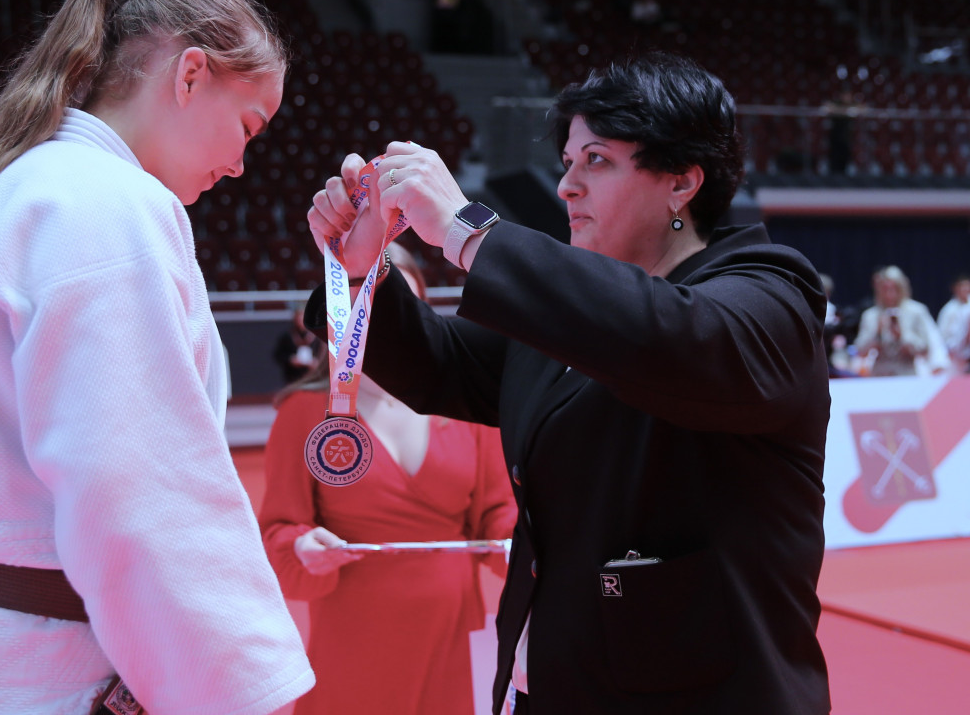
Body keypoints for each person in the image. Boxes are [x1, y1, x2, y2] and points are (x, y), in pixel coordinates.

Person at [307, 53, 832, 714]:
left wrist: (467, 230)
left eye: (597, 161)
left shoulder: (770, 292)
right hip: (555, 682)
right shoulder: (565, 317)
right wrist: (363, 272)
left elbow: (665, 335)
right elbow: (440, 363)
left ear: (681, 181)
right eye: (567, 161)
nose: (566, 187)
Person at [0, 0, 313, 714]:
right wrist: (241, 690)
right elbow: (135, 494)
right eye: (247, 126)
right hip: (46, 666)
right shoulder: (102, 204)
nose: (240, 164)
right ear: (190, 75)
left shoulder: (39, 186)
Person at [259, 244, 516, 715]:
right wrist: (301, 546)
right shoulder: (303, 413)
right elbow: (279, 528)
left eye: (405, 308)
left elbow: (498, 513)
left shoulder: (467, 405)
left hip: (447, 629)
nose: (391, 326)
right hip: (354, 631)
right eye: (373, 309)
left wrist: (518, 544)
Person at [853, 265, 934, 376]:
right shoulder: (871, 315)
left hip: (907, 374)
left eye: (894, 288)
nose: (889, 294)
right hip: (880, 375)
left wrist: (903, 335)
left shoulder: (916, 311)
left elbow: (925, 350)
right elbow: (860, 351)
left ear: (902, 289)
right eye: (885, 289)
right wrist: (877, 334)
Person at [272, 302, 321, 384]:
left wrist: (317, 362)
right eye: (299, 318)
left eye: (303, 318)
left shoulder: (317, 336)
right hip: (293, 377)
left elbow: (325, 355)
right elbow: (278, 355)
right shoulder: (288, 336)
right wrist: (291, 360)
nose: (300, 321)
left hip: (314, 376)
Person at [936, 273, 970, 370]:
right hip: (954, 359)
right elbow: (941, 336)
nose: (966, 289)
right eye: (962, 287)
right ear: (955, 288)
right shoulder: (949, 310)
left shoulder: (968, 307)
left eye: (968, 286)